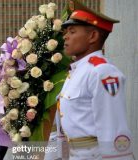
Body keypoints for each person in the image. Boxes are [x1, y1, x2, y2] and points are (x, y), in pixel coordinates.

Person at [57, 0, 134, 159]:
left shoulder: (102, 72)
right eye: (66, 32)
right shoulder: (76, 71)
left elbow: (112, 127)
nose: (65, 37)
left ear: (92, 36)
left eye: (72, 31)